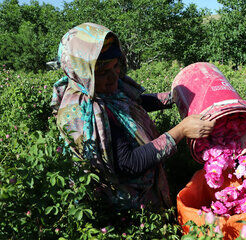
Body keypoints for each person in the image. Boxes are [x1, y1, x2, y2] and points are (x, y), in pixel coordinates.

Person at [50, 22, 215, 211]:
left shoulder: (99, 87)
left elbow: (131, 103)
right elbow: (128, 164)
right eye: (104, 72)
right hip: (127, 205)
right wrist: (180, 131)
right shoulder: (87, 114)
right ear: (82, 72)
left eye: (115, 67)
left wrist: (173, 98)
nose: (114, 77)